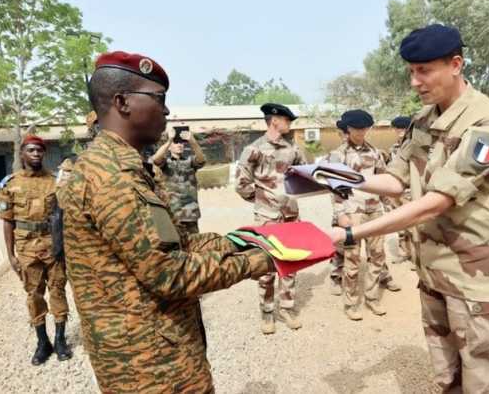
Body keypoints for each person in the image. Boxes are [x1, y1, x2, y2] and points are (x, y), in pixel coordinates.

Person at [57, 51, 273, 393]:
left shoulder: (124, 166)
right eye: (159, 99)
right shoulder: (112, 178)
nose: (167, 111)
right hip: (148, 368)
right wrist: (260, 261)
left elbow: (175, 244)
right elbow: (170, 275)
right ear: (122, 102)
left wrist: (239, 240)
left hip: (159, 354)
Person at [329, 24, 489, 393]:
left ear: (456, 64)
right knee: (447, 379)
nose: (415, 81)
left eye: (424, 70)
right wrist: (336, 177)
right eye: (411, 71)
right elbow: (395, 180)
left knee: (485, 385)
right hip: (434, 275)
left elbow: (434, 204)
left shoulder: (487, 123)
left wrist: (353, 233)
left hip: (475, 282)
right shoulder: (422, 120)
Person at [0, 135, 72, 365]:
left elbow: (66, 215)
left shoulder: (55, 182)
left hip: (53, 245)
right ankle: (42, 342)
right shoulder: (9, 184)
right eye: (31, 150)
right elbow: (7, 221)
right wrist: (11, 256)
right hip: (27, 248)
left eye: (40, 150)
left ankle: (60, 340)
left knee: (58, 291)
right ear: (22, 154)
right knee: (34, 295)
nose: (36, 154)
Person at [235, 103, 306, 334]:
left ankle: (287, 307)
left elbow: (305, 174)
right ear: (274, 120)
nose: (290, 123)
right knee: (266, 265)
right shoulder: (253, 149)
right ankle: (267, 312)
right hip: (267, 217)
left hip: (290, 215)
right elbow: (241, 183)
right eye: (287, 119)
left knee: (290, 261)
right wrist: (261, 201)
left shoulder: (293, 149)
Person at [327, 109, 398, 320]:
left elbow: (383, 180)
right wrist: (340, 213)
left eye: (365, 128)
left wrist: (389, 206)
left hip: (374, 211)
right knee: (352, 259)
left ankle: (372, 298)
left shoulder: (375, 152)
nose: (361, 132)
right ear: (348, 129)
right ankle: (350, 303)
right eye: (357, 129)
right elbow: (334, 188)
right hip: (352, 212)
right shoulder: (338, 155)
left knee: (377, 256)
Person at [151, 125, 206, 235]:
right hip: (171, 214)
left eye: (181, 143)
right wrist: (170, 140)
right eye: (176, 143)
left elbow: (201, 160)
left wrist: (192, 141)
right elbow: (156, 159)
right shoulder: (165, 163)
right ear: (169, 147)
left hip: (190, 214)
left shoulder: (190, 162)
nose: (180, 145)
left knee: (194, 246)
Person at [381, 115, 415, 265]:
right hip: (397, 193)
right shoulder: (393, 149)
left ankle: (416, 257)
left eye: (403, 127)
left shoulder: (415, 146)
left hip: (412, 192)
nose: (400, 130)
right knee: (401, 224)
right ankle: (405, 252)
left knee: (415, 224)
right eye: (397, 128)